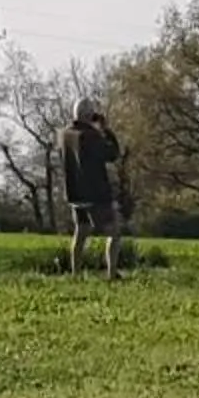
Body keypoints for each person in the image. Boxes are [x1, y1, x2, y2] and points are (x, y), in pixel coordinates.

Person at [59, 100, 127, 280]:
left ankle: (76, 274)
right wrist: (105, 129)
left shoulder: (64, 135)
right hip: (96, 194)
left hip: (74, 194)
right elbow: (112, 154)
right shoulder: (91, 135)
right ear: (90, 115)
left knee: (80, 232)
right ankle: (112, 273)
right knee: (114, 231)